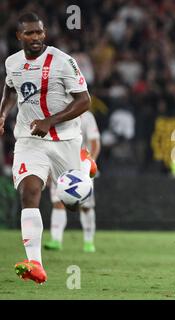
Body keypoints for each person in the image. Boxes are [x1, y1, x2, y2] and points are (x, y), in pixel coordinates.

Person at [0, 13, 90, 284]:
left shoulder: (63, 61)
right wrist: (2, 113)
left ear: (44, 32)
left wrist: (50, 120)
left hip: (65, 139)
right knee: (30, 192)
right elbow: (11, 91)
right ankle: (35, 263)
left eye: (39, 32)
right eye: (29, 33)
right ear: (19, 37)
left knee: (72, 204)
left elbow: (85, 100)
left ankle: (85, 166)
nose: (36, 38)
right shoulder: (12, 62)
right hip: (30, 140)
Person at [44, 110, 100, 252]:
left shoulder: (87, 116)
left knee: (86, 206)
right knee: (58, 202)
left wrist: (90, 162)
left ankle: (89, 242)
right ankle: (56, 240)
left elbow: (95, 142)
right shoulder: (57, 113)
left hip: (81, 165)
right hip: (61, 164)